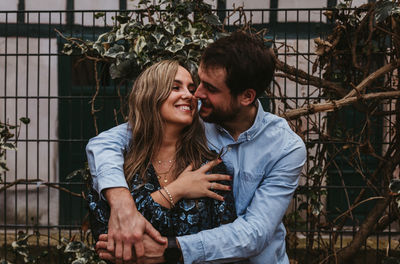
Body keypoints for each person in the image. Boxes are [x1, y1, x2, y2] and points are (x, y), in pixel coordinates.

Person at [87, 31, 307, 264]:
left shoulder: (285, 148)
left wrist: (168, 251)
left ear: (246, 97)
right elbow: (105, 143)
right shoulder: (189, 113)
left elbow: (255, 233)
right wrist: (122, 203)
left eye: (210, 89)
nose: (196, 94)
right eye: (198, 81)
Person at [86, 60, 236, 262]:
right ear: (150, 96)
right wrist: (175, 190)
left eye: (191, 89)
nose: (189, 95)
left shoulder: (208, 166)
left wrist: (163, 252)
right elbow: (109, 247)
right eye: (175, 87)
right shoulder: (115, 166)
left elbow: (224, 243)